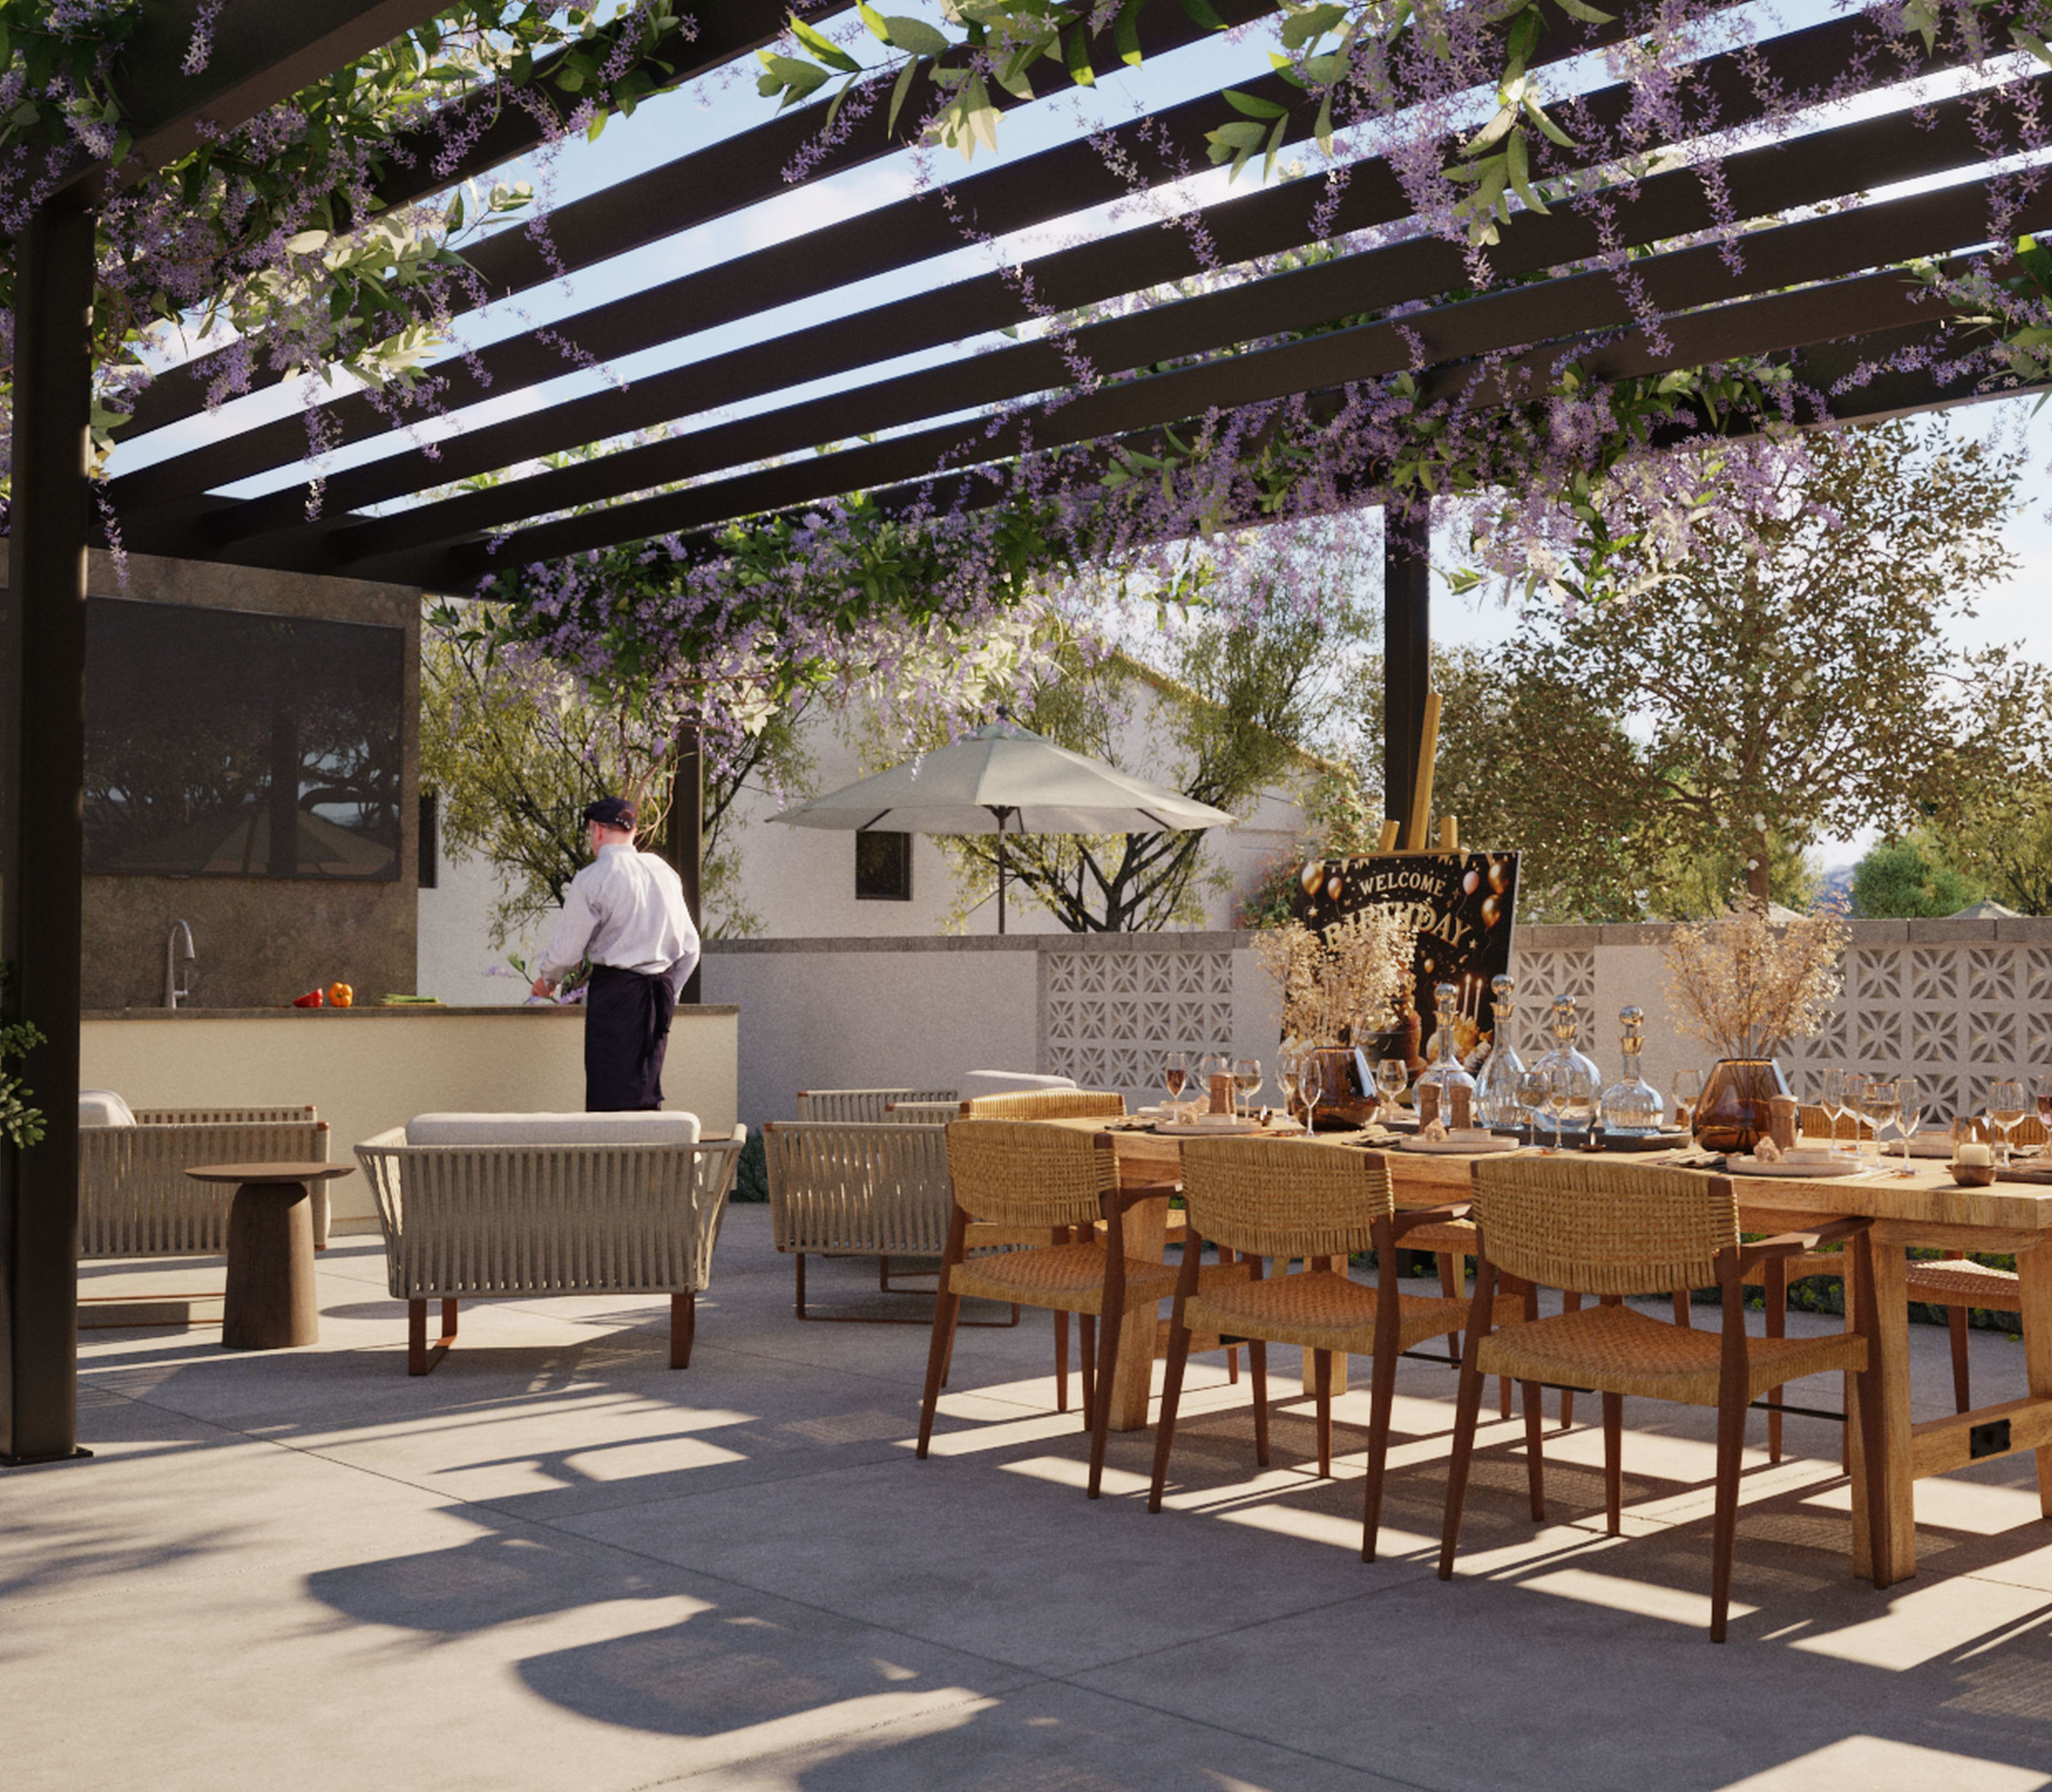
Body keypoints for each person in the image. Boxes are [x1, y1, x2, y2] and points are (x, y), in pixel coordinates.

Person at [531, 796, 700, 1111]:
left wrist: (548, 979)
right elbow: (691, 948)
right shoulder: (664, 872)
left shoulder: (593, 878)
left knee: (610, 1098)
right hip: (659, 993)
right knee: (646, 1095)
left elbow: (568, 951)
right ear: (634, 831)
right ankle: (649, 1161)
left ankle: (611, 1161)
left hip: (616, 994)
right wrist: (668, 995)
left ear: (596, 830)